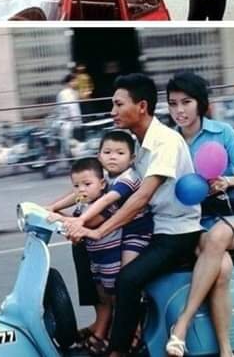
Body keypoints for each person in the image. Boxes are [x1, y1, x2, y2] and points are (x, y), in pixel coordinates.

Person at [66, 73, 202, 357]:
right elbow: (107, 189)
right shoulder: (138, 144)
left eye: (118, 104)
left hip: (175, 232)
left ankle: (118, 350)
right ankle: (103, 320)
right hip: (153, 226)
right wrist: (67, 216)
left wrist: (99, 230)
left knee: (128, 279)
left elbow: (141, 197)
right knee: (81, 248)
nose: (112, 111)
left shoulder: (165, 141)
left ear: (141, 106)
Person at [165, 71, 234, 357]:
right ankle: (226, 350)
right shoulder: (169, 141)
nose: (179, 110)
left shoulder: (222, 132)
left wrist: (228, 181)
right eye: (173, 103)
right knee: (221, 270)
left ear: (201, 103)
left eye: (186, 102)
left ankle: (181, 325)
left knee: (217, 237)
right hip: (194, 221)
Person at [50, 131, 153, 354]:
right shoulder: (101, 181)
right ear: (99, 155)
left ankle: (133, 332)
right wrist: (51, 208)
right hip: (109, 243)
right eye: (107, 152)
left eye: (119, 152)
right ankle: (103, 327)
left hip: (136, 233)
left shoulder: (127, 180)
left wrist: (72, 220)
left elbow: (103, 204)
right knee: (103, 290)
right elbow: (79, 192)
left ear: (132, 158)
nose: (112, 157)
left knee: (124, 285)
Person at [56, 73, 82, 147]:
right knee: (68, 147)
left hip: (73, 123)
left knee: (75, 146)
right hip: (67, 123)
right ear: (70, 82)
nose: (76, 83)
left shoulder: (73, 93)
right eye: (75, 81)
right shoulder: (64, 93)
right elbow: (68, 108)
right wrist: (75, 120)